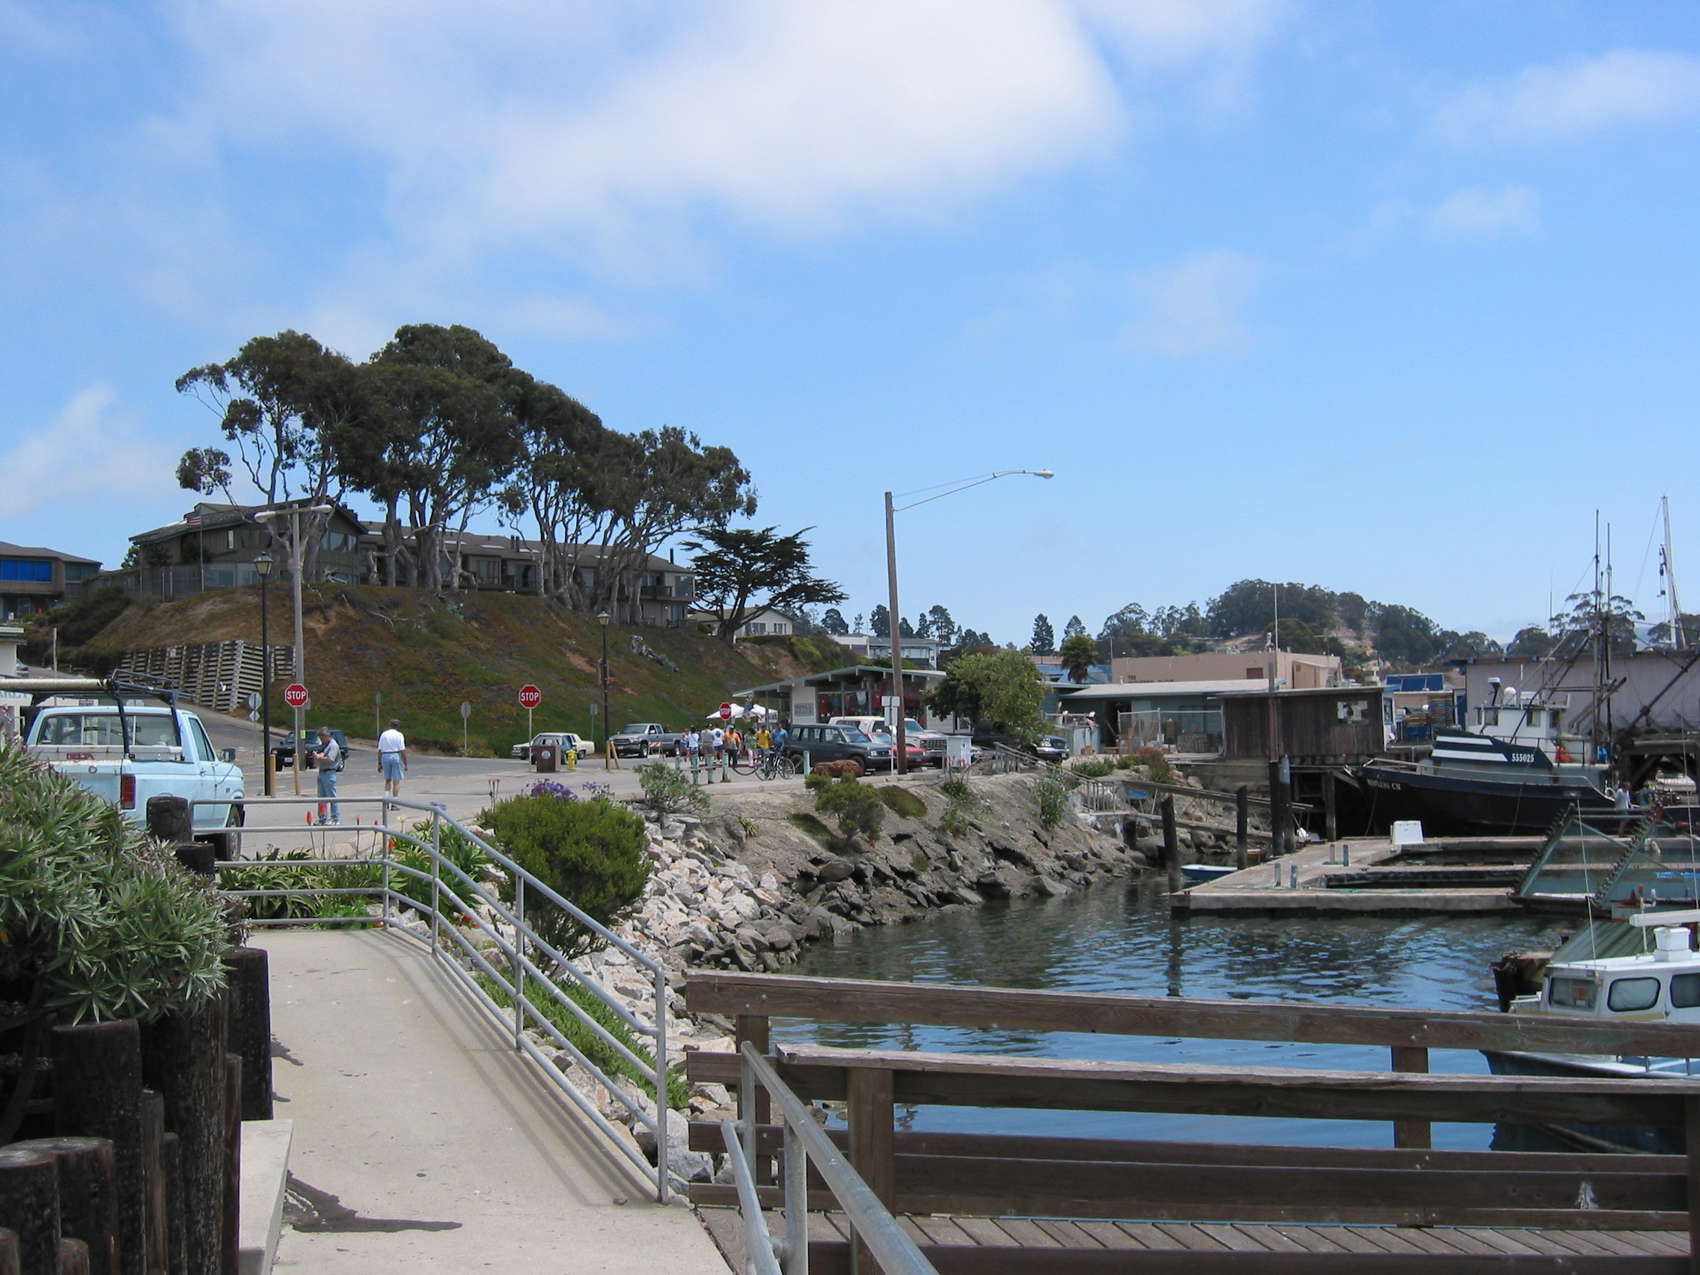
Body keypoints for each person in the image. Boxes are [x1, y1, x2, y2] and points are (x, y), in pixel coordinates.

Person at [313, 726, 341, 824]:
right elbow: (323, 754)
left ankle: (335, 818)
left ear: (326, 736)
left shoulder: (333, 745)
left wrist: (318, 757)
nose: (321, 740)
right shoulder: (326, 745)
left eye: (321, 738)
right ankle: (322, 818)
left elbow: (330, 759)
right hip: (322, 772)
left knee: (331, 797)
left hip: (329, 772)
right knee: (321, 798)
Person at [377, 718, 408, 796]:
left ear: (390, 725)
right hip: (395, 755)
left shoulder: (384, 734)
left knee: (387, 780)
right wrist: (405, 763)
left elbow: (380, 750)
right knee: (396, 781)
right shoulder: (399, 735)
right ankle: (394, 800)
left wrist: (379, 763)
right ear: (397, 726)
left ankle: (386, 798)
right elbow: (402, 750)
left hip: (385, 755)